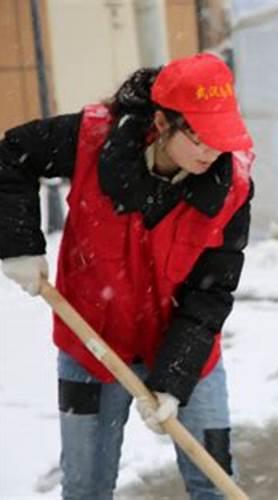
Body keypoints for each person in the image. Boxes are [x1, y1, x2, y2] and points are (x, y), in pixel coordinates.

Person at [0, 53, 254, 499]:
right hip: (90, 347)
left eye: (221, 138)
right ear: (162, 121)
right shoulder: (90, 138)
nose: (211, 151)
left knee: (214, 483)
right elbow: (10, 157)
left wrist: (176, 377)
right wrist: (18, 243)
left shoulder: (232, 185)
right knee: (86, 488)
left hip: (190, 353)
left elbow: (210, 294)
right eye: (199, 137)